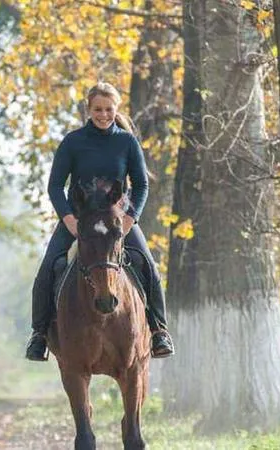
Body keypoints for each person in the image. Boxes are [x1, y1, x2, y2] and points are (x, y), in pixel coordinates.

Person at [25, 82, 175, 361]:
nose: (103, 115)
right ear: (88, 109)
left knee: (148, 266)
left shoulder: (127, 142)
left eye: (108, 109)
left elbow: (141, 185)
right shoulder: (73, 142)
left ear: (115, 109)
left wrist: (131, 219)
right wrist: (68, 219)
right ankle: (39, 334)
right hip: (78, 220)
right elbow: (55, 186)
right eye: (97, 109)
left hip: (118, 222)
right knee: (47, 268)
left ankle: (159, 331)